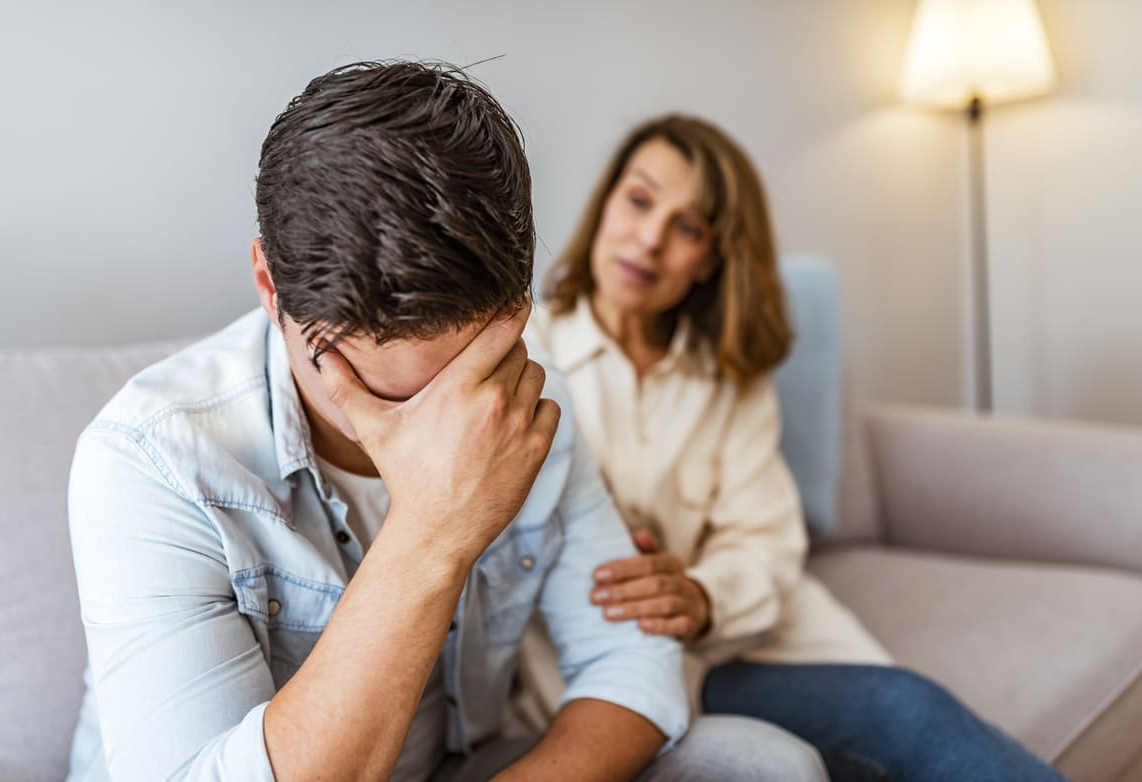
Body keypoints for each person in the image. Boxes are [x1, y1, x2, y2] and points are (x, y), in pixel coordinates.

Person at [64, 63, 828, 781]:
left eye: (456, 380)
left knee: (759, 761)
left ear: (515, 308)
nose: (418, 425)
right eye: (357, 382)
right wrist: (436, 523)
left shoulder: (524, 399)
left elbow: (632, 665)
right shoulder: (150, 458)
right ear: (270, 283)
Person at [521, 114, 1069, 782]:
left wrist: (699, 595)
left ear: (713, 258)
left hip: (751, 635)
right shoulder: (527, 360)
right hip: (634, 669)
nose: (650, 239)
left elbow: (765, 542)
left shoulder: (726, 375)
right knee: (898, 719)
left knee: (910, 712)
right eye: (638, 200)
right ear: (606, 200)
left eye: (687, 226)